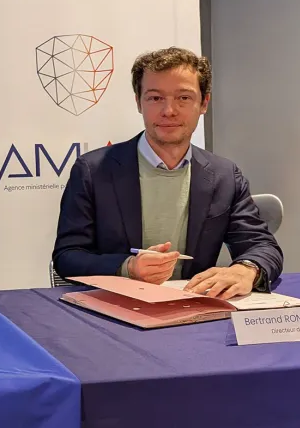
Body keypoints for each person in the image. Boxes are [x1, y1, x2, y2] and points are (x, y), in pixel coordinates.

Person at [52, 46, 282, 299]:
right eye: (155, 98)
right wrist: (127, 267)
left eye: (183, 98)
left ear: (204, 103)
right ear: (138, 102)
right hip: (116, 307)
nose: (169, 110)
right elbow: (68, 256)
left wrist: (246, 269)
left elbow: (261, 245)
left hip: (194, 307)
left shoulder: (224, 175)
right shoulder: (93, 171)